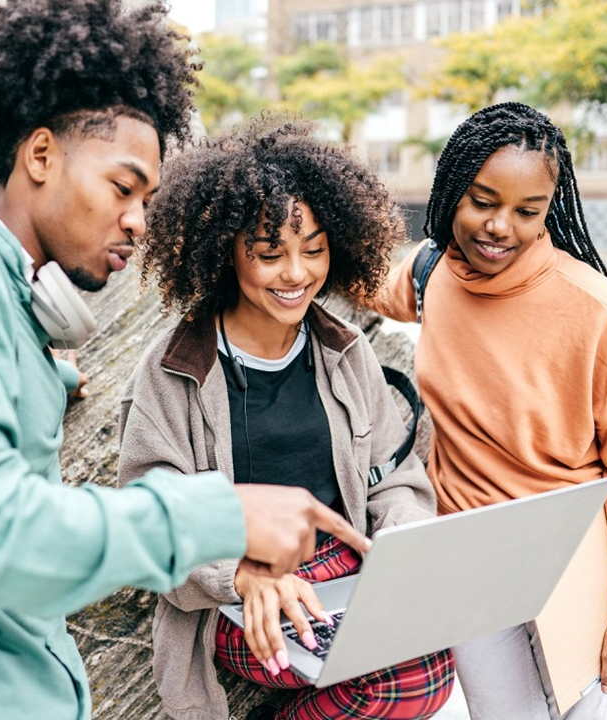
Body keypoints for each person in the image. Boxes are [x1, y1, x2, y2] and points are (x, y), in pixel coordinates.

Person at [0, 3, 370, 719]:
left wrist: (48, 379)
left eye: (149, 199)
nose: (138, 219)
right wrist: (219, 513)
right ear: (40, 156)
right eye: (123, 188)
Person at [117, 118, 454, 720]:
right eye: (270, 253)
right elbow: (153, 510)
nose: (297, 273)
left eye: (315, 248)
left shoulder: (346, 351)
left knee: (435, 663)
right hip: (236, 590)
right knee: (399, 681)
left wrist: (401, 543)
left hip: (346, 573)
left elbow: (395, 479)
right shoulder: (173, 369)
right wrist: (241, 574)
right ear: (226, 251)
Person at [369, 102, 607, 720]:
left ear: (548, 209)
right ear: (450, 191)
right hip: (472, 558)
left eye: (527, 212)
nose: (501, 226)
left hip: (572, 561)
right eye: (482, 201)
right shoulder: (432, 275)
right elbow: (354, 278)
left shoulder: (592, 306)